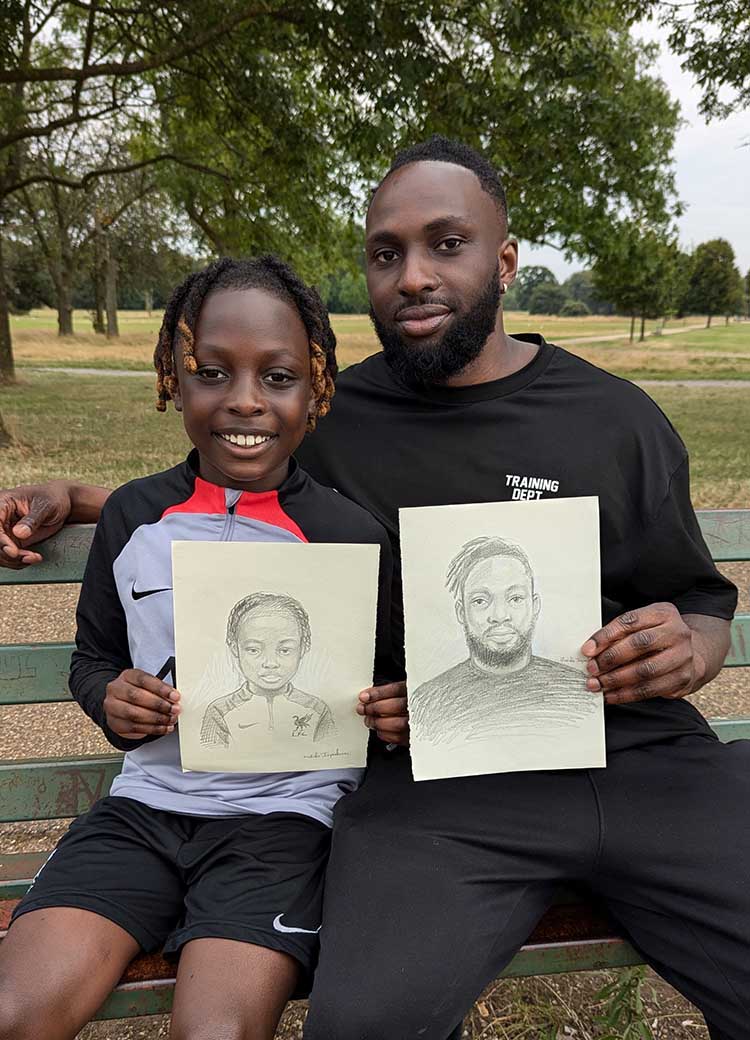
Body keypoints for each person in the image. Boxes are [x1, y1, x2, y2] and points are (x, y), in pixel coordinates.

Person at [0, 136, 744, 1039]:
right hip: (442, 775)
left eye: (446, 244)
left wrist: (691, 646)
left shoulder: (617, 418)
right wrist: (71, 499)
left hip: (640, 758)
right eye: (386, 253)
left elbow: (701, 601)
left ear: (504, 261)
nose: (413, 276)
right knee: (363, 1023)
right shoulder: (330, 416)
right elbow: (220, 489)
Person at [0, 255, 392, 1040]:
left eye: (277, 377)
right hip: (145, 811)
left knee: (212, 1031)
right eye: (212, 372)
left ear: (315, 390)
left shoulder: (350, 535)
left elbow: (394, 687)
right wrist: (112, 700)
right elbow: (93, 661)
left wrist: (393, 711)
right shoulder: (135, 520)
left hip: (287, 823)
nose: (244, 400)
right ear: (173, 379)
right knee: (16, 1014)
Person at [410, 536, 596, 746]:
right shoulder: (426, 703)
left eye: (515, 598)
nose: (499, 615)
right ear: (462, 612)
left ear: (534, 607)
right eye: (481, 601)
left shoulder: (582, 694)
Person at [200, 591, 335, 748]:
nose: (270, 663)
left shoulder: (318, 710)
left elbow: (330, 750)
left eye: (285, 650)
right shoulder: (219, 711)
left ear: (303, 647)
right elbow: (211, 755)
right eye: (254, 650)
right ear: (234, 648)